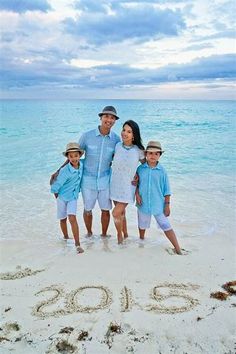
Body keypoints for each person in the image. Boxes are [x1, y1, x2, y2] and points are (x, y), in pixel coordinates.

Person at [78, 106, 120, 237]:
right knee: (88, 210)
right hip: (88, 180)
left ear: (114, 121)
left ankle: (104, 235)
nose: (109, 120)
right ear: (101, 118)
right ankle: (89, 233)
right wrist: (59, 172)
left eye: (112, 118)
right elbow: (74, 156)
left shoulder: (116, 140)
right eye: (107, 116)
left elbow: (120, 160)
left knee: (106, 210)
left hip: (105, 180)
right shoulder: (86, 136)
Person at [135, 141, 182, 255]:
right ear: (146, 154)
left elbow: (167, 190)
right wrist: (137, 195)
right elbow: (136, 184)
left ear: (160, 155)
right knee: (142, 224)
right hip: (143, 203)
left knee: (165, 225)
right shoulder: (140, 169)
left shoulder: (162, 171)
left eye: (156, 154)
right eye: (150, 153)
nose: (153, 156)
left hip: (158, 204)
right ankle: (141, 242)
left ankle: (178, 248)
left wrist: (167, 205)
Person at [110, 120, 146, 244]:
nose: (125, 133)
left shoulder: (139, 150)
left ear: (134, 135)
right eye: (124, 130)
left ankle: (119, 237)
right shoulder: (117, 146)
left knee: (115, 213)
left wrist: (138, 176)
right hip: (114, 184)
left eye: (129, 132)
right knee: (121, 213)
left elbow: (145, 166)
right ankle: (125, 235)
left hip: (128, 186)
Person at [51, 142, 84, 253]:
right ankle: (65, 237)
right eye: (71, 156)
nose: (74, 158)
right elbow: (56, 185)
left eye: (76, 155)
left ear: (80, 155)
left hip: (73, 197)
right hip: (62, 197)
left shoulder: (82, 165)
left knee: (72, 218)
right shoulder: (65, 171)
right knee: (63, 218)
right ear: (67, 157)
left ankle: (77, 244)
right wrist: (57, 197)